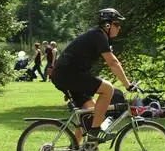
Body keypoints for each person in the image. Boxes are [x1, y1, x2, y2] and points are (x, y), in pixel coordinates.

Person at [51, 8, 136, 143]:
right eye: (117, 24)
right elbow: (113, 62)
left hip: (66, 74)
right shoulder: (98, 36)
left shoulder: (98, 36)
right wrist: (127, 84)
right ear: (107, 25)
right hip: (69, 74)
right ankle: (95, 131)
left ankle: (75, 148)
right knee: (108, 89)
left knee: (90, 110)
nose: (119, 28)